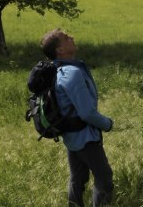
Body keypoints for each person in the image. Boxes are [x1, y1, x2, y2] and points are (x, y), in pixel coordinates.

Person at [40, 29, 114, 207]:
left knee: (78, 178)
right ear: (60, 51)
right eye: (66, 38)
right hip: (85, 137)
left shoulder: (62, 69)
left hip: (72, 135)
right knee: (104, 178)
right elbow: (87, 113)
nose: (71, 37)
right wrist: (108, 124)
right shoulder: (71, 74)